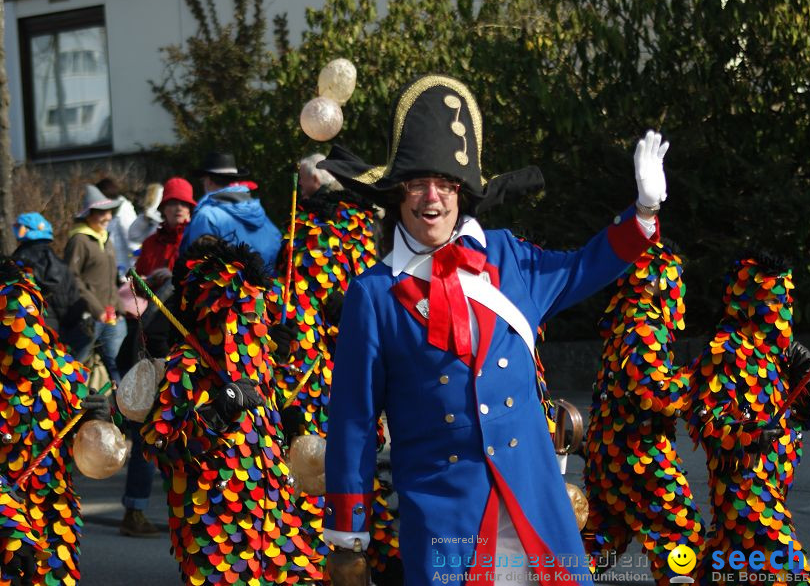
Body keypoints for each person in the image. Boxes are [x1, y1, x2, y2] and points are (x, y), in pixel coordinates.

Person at [317, 74, 667, 585]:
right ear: (397, 195)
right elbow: (353, 420)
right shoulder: (373, 294)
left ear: (463, 191)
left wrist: (643, 213)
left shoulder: (507, 257)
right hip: (446, 523)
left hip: (534, 507)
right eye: (416, 183)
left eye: (445, 183)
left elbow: (583, 268)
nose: (431, 198)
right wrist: (349, 535)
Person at [141, 240, 323, 585]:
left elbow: (262, 426)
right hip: (216, 533)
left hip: (272, 521)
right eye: (237, 313)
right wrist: (217, 412)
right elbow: (162, 449)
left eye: (254, 314)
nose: (248, 324)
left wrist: (286, 420)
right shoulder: (187, 366)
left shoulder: (259, 366)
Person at [270, 176, 401, 581]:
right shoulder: (298, 250)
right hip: (309, 389)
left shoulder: (361, 247)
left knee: (359, 475)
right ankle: (315, 561)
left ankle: (365, 557)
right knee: (313, 475)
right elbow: (284, 311)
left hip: (350, 387)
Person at [686, 253, 810, 585]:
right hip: (744, 492)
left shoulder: (781, 356)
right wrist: (750, 433)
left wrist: (804, 377)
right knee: (791, 570)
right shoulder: (726, 351)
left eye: (784, 298)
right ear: (747, 301)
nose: (780, 307)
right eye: (771, 299)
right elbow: (705, 421)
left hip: (774, 488)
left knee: (724, 568)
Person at [583, 241, 705, 584]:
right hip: (638, 453)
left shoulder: (624, 319)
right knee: (681, 535)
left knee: (602, 536)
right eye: (671, 276)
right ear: (654, 280)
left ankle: (559, 578)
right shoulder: (644, 325)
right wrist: (699, 377)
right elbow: (656, 393)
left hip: (607, 452)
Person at [0, 257, 109, 585]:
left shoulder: (65, 373)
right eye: (9, 318)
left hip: (54, 522)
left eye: (29, 317)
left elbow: (98, 452)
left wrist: (98, 421)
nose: (22, 328)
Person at [115, 177, 197, 538]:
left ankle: (192, 510)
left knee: (187, 433)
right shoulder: (151, 243)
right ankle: (134, 511)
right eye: (171, 204)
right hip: (151, 348)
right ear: (162, 208)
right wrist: (151, 279)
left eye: (183, 204)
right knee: (147, 431)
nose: (177, 209)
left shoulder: (197, 240)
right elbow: (133, 291)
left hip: (186, 347)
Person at [65, 184, 127, 385]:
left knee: (118, 366)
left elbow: (111, 279)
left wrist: (119, 308)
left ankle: (125, 414)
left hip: (112, 317)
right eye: (101, 212)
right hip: (88, 318)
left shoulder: (106, 238)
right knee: (76, 366)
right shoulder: (79, 240)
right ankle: (70, 409)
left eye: (109, 211)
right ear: (89, 214)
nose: (107, 217)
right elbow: (72, 278)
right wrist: (96, 309)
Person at [179, 152, 281, 268]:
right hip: (269, 284)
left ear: (208, 181)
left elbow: (196, 267)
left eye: (203, 181)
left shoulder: (206, 216)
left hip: (224, 285)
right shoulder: (260, 213)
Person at [11, 212, 91, 354]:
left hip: (31, 329)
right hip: (61, 330)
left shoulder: (17, 263)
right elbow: (72, 298)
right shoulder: (59, 264)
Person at [96, 177, 140, 281]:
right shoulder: (111, 211)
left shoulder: (123, 211)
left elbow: (133, 242)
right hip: (115, 271)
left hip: (126, 274)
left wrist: (134, 271)